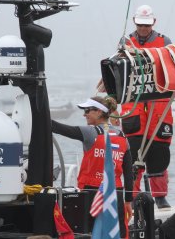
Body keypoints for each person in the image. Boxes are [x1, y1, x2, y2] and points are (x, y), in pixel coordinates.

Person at [120, 4, 175, 208]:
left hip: (160, 104)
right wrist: (112, 96)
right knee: (133, 152)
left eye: (147, 25)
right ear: (134, 22)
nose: (143, 29)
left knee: (159, 151)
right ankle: (133, 198)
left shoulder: (164, 42)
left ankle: (160, 196)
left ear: (153, 23)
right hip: (134, 106)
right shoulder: (125, 42)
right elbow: (118, 71)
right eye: (140, 25)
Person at [51, 96, 132, 239]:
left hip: (91, 192)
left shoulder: (90, 132)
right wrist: (128, 200)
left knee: (89, 233)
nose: (84, 114)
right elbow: (128, 172)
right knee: (115, 233)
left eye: (88, 110)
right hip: (116, 193)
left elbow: (58, 128)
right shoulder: (122, 136)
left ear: (100, 112)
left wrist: (37, 114)